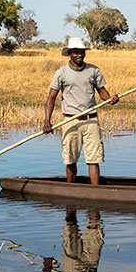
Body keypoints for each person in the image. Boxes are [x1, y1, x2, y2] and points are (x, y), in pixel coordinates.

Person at [42, 37, 119, 185]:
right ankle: (71, 189)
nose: (79, 55)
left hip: (91, 120)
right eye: (76, 52)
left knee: (94, 159)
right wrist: (47, 121)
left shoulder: (93, 70)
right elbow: (51, 98)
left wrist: (110, 99)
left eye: (82, 52)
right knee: (70, 159)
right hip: (71, 121)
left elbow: (102, 92)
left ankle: (95, 191)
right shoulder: (61, 73)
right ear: (69, 53)